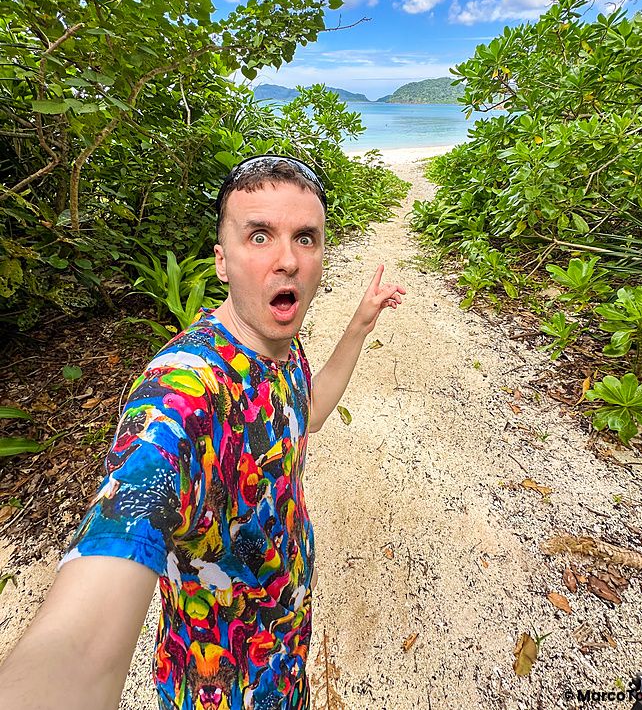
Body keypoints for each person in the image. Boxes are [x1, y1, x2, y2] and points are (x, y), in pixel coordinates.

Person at [0, 154, 406, 710]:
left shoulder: (276, 344)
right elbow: (82, 640)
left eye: (305, 238)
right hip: (218, 688)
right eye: (259, 235)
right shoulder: (185, 394)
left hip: (283, 652)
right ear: (221, 260)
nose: (287, 260)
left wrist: (359, 326)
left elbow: (300, 417)